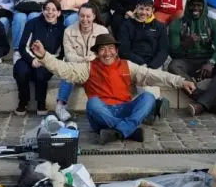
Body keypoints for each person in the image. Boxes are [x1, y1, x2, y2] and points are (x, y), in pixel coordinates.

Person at [30, 34, 196, 144]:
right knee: (93, 103)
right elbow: (63, 69)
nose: (107, 53)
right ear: (97, 53)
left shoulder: (127, 65)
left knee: (148, 98)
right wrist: (44, 56)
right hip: (102, 115)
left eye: (110, 48)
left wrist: (181, 81)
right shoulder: (88, 67)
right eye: (102, 49)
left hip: (124, 108)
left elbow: (153, 75)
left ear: (116, 51)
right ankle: (130, 131)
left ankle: (119, 131)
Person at [167, 0, 216, 116]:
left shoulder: (213, 23)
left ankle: (201, 105)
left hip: (207, 62)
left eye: (199, 5)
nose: (196, 8)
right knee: (173, 66)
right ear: (187, 6)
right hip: (187, 61)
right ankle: (210, 102)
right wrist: (185, 44)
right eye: (192, 5)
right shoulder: (177, 24)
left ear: (204, 7)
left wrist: (211, 62)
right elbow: (173, 52)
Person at [118, 0, 171, 124]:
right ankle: (155, 105)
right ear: (136, 8)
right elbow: (124, 50)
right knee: (144, 78)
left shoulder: (160, 26)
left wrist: (152, 65)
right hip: (134, 62)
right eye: (141, 8)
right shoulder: (127, 25)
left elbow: (164, 50)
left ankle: (149, 110)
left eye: (147, 9)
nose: (144, 12)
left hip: (153, 63)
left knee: (148, 79)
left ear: (152, 10)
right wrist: (141, 63)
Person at [56, 3, 109, 122]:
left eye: (88, 16)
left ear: (94, 16)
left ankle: (104, 106)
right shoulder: (69, 31)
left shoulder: (102, 31)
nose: (85, 19)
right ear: (78, 16)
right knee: (67, 72)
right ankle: (60, 106)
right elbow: (68, 54)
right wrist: (82, 60)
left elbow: (107, 52)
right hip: (77, 65)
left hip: (95, 65)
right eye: (82, 16)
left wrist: (93, 57)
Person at [13, 0, 65, 116]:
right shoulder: (32, 23)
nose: (50, 12)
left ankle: (41, 103)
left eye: (53, 10)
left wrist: (45, 59)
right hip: (29, 58)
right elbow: (23, 46)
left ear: (59, 13)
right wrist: (33, 60)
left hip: (49, 60)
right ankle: (23, 101)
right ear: (42, 10)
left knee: (41, 74)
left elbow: (61, 53)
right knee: (21, 70)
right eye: (47, 9)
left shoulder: (62, 29)